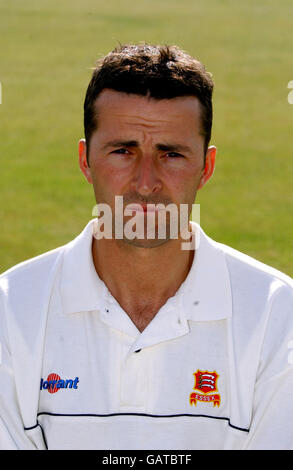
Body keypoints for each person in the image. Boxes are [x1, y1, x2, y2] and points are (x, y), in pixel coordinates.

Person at [0, 43, 293, 451]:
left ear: (205, 167)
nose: (145, 183)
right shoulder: (9, 311)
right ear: (85, 160)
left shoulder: (279, 315)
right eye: (123, 151)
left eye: (171, 154)